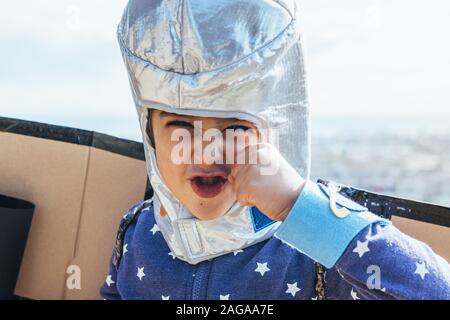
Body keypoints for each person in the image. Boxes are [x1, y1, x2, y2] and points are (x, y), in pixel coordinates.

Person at [100, 0, 450, 300]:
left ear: (278, 129)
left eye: (235, 129)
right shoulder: (136, 232)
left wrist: (298, 205)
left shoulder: (319, 248)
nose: (206, 155)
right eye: (182, 129)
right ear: (151, 137)